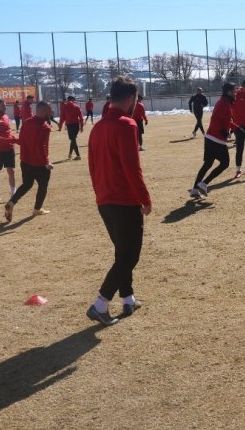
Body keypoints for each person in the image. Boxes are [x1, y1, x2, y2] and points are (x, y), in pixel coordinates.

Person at [86, 76, 151, 326]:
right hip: (124, 201)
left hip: (105, 199)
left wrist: (99, 194)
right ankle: (101, 303)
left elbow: (92, 167)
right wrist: (144, 198)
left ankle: (128, 299)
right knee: (129, 256)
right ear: (131, 99)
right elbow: (132, 168)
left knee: (122, 253)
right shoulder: (127, 125)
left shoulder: (98, 127)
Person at [4, 101, 53, 222]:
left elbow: (22, 140)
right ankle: (37, 209)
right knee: (43, 186)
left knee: (27, 184)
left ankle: (11, 202)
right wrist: (46, 162)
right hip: (39, 163)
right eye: (49, 109)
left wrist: (13, 140)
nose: (51, 112)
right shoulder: (45, 127)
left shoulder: (27, 122)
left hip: (25, 161)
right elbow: (40, 146)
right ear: (43, 110)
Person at [190, 83, 236, 198]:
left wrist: (234, 126)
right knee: (225, 163)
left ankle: (195, 190)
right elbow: (215, 118)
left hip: (211, 138)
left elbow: (224, 119)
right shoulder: (223, 103)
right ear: (228, 92)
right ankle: (204, 184)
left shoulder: (225, 102)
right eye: (234, 91)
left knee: (208, 164)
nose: (235, 93)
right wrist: (222, 131)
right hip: (216, 139)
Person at [59, 95, 84, 160]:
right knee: (73, 140)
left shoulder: (64, 107)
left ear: (68, 100)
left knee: (73, 140)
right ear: (73, 100)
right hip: (76, 125)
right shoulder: (77, 106)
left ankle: (78, 155)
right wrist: (81, 126)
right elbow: (81, 118)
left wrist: (60, 126)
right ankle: (70, 154)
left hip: (70, 126)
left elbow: (62, 118)